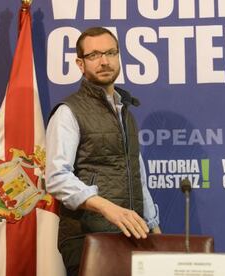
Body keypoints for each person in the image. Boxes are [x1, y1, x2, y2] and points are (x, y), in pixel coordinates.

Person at [45, 26, 161, 276]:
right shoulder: (68, 111)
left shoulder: (125, 112)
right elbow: (56, 178)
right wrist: (107, 207)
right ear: (80, 63)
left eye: (110, 52)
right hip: (87, 239)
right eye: (94, 55)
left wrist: (153, 227)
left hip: (134, 235)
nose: (104, 61)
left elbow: (137, 176)